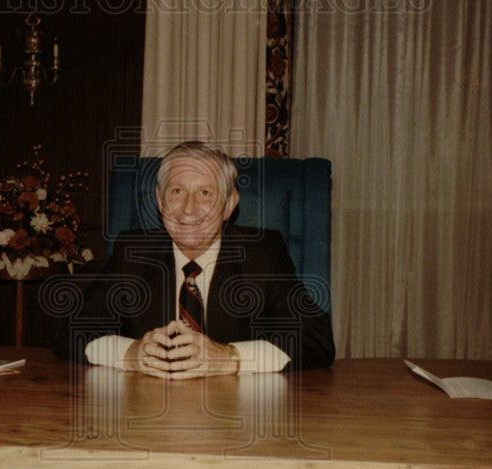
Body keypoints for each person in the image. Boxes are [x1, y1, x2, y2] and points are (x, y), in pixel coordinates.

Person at [52, 141, 335, 379]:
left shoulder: (262, 251)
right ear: (160, 201)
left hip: (239, 417)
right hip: (145, 413)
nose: (189, 209)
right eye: (177, 191)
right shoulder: (134, 251)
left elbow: (315, 338)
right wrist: (130, 354)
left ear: (228, 205)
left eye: (205, 193)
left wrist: (230, 357)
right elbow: (73, 329)